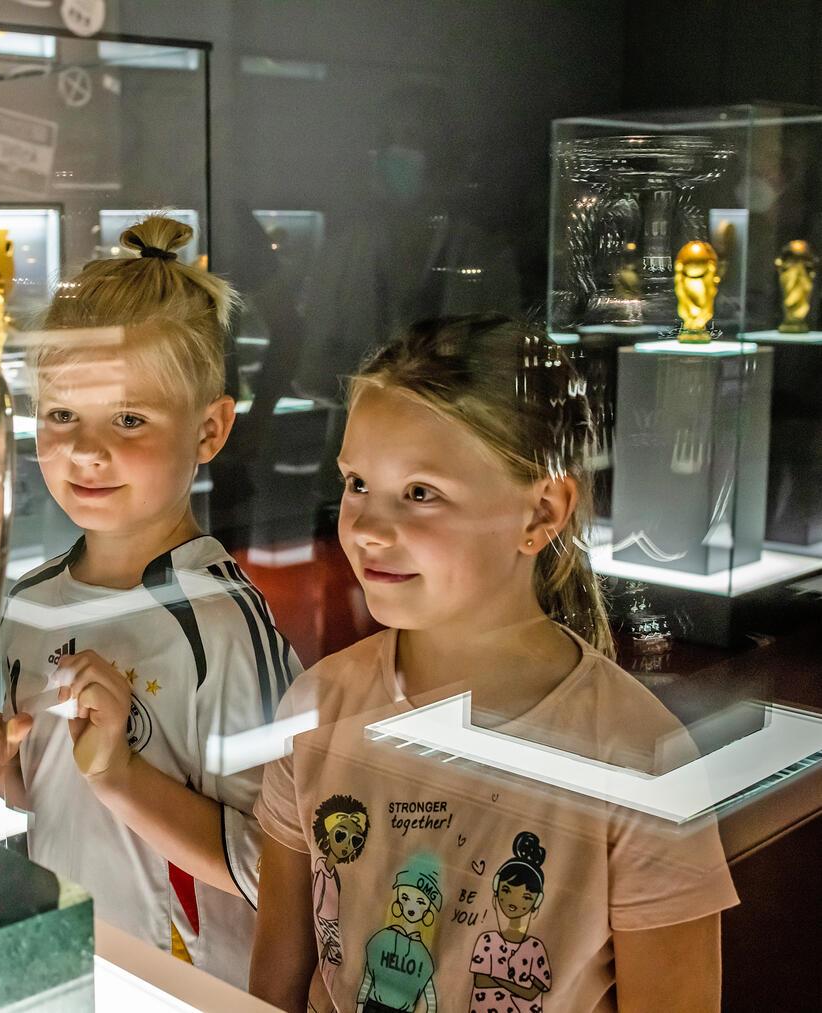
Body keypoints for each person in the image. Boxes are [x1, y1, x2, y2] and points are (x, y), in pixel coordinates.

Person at [249, 314, 738, 1012]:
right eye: (357, 482)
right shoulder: (315, 707)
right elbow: (276, 984)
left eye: (421, 492)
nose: (366, 527)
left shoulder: (643, 759)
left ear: (541, 512)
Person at [0, 215, 302, 987]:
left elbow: (282, 870)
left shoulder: (224, 624)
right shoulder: (32, 606)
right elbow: (54, 801)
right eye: (63, 413)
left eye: (128, 418)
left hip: (189, 989)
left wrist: (121, 775)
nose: (87, 450)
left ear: (210, 429)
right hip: (71, 970)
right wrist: (1, 767)